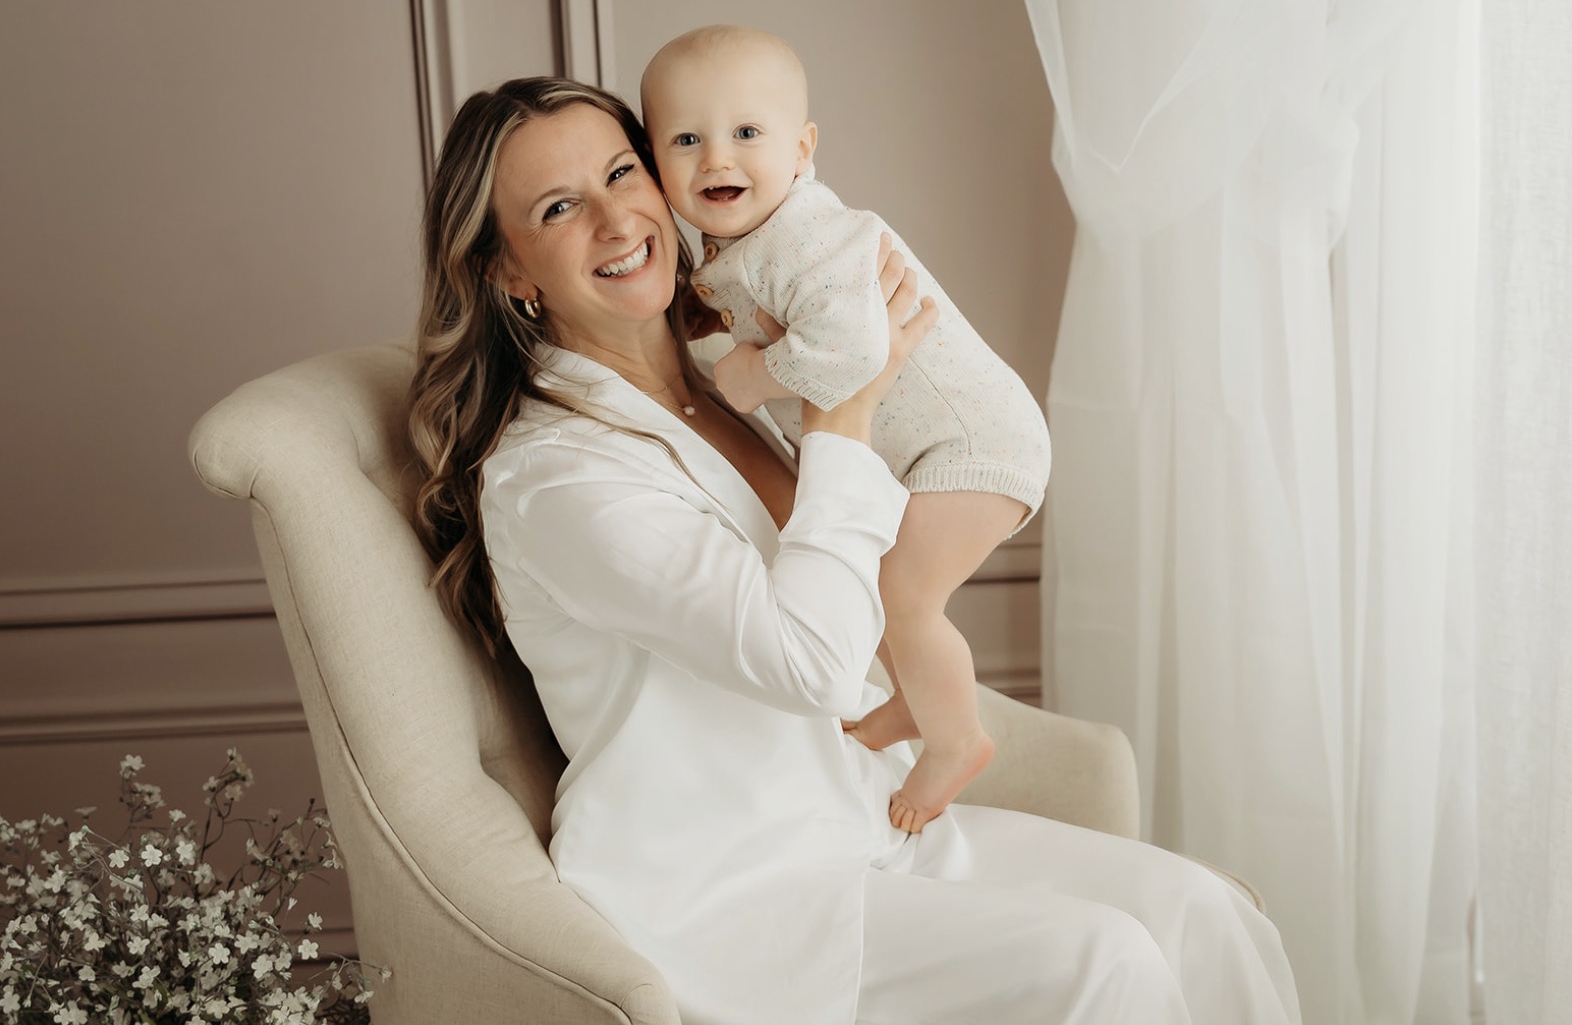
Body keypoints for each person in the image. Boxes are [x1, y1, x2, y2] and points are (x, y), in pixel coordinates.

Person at [408, 75, 1301, 1025]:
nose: (617, 218)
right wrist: (846, 407)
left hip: (867, 815)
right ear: (507, 271)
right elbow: (817, 665)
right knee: (1105, 960)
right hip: (738, 884)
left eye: (623, 172)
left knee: (1203, 913)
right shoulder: (554, 478)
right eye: (558, 208)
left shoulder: (726, 378)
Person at [640, 24, 1051, 832]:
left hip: (974, 444)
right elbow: (745, 304)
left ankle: (956, 740)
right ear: (656, 164)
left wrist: (751, 377)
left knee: (903, 594)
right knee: (884, 584)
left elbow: (855, 348)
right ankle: (913, 703)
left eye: (746, 133)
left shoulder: (806, 237)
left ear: (801, 150)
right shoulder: (746, 242)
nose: (717, 158)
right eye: (687, 140)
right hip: (938, 449)